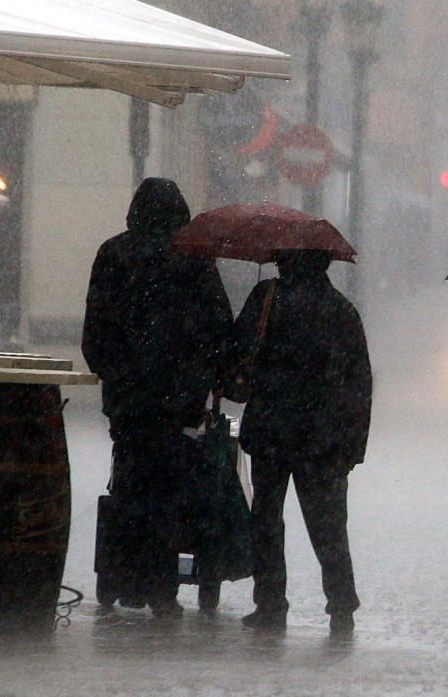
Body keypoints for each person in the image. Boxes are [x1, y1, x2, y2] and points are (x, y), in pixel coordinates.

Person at [82, 177, 234, 617]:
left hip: (130, 401)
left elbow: (96, 328)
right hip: (177, 402)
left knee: (130, 487)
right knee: (169, 494)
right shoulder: (193, 258)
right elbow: (218, 327)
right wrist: (204, 376)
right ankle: (162, 589)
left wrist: (113, 372)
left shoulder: (114, 254)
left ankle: (126, 580)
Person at [229, 249, 372, 636]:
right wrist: (353, 443)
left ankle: (270, 602)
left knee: (267, 520)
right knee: (328, 526)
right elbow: (359, 383)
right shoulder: (341, 311)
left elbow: (237, 351)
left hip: (271, 430)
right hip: (322, 439)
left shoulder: (267, 298)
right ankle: (341, 606)